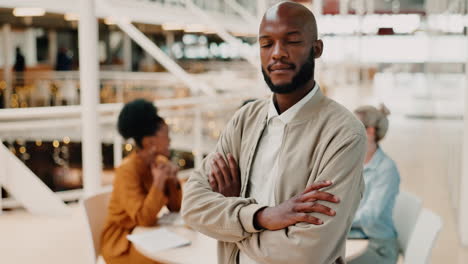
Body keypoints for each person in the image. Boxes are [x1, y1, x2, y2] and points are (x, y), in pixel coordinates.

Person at [181, 2, 367, 264]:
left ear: (317, 49)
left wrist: (231, 223)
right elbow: (191, 206)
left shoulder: (344, 134)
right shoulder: (244, 120)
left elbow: (305, 253)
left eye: (291, 41)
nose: (277, 53)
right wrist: (261, 216)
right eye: (266, 44)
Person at [100, 99, 182, 264]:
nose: (170, 141)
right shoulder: (127, 171)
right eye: (166, 136)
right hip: (122, 244)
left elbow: (175, 208)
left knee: (180, 254)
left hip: (147, 235)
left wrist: (173, 182)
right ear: (149, 142)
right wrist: (158, 183)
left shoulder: (159, 164)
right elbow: (144, 218)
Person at [348, 104, 400, 264]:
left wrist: (337, 220)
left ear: (370, 131)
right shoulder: (354, 161)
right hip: (354, 236)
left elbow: (369, 216)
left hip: (379, 247)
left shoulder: (386, 169)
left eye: (352, 126)